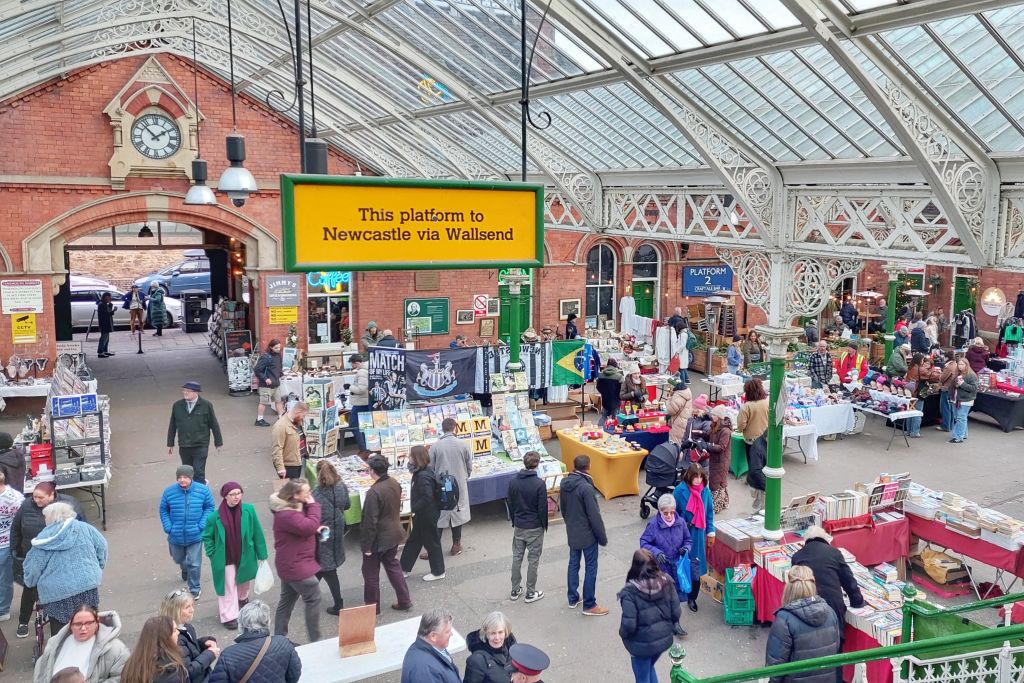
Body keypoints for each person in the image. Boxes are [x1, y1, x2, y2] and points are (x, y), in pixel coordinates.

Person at [11, 482, 84, 638]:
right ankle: (23, 621)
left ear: (52, 495)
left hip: (60, 559)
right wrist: (15, 551)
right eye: (34, 496)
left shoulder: (69, 503)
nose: (36, 500)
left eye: (40, 497)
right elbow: (15, 529)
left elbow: (82, 526)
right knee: (29, 589)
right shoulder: (26, 506)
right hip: (32, 556)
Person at [24, 502, 107, 634]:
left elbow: (33, 567)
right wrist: (98, 565)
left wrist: (30, 582)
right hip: (87, 584)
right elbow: (102, 546)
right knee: (89, 620)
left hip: (57, 593)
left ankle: (63, 650)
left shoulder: (43, 539)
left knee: (61, 631)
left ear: (51, 518)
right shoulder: (85, 528)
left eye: (45, 517)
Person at [203, 481, 268, 630]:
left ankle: (242, 599)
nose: (236, 497)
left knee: (244, 581)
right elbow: (207, 537)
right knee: (228, 586)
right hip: (225, 558)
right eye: (232, 494)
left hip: (245, 554)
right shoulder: (214, 517)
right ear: (225, 496)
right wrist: (212, 553)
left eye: (238, 493)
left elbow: (257, 532)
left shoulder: (249, 510)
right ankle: (228, 616)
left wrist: (262, 554)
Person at [269, 479, 324, 643]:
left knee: (286, 601)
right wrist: (313, 506)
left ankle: (279, 638)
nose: (310, 495)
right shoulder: (286, 515)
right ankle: (315, 640)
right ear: (295, 495)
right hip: (297, 566)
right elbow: (307, 526)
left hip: (289, 564)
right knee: (313, 598)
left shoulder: (292, 508)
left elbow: (306, 525)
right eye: (306, 492)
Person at [765, 565, 841, 683]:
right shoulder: (830, 613)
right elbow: (835, 648)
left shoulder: (784, 620)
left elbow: (775, 667)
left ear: (789, 588)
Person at [617, 548, 681, 683]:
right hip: (663, 641)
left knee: (642, 677)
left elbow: (629, 625)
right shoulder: (667, 580)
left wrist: (623, 634)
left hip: (640, 645)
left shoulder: (629, 592)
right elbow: (676, 612)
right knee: (649, 668)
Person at [791, 526, 865, 638]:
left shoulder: (797, 556)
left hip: (806, 604)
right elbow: (849, 581)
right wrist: (857, 602)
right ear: (825, 538)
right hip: (832, 605)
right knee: (834, 639)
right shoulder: (834, 553)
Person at [361, 455, 412, 613]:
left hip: (379, 539)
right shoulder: (394, 483)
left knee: (370, 573)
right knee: (393, 566)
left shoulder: (373, 492)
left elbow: (370, 522)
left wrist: (367, 546)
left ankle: (372, 607)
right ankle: (404, 600)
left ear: (372, 471)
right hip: (394, 533)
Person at [560, 455, 609, 616]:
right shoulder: (586, 488)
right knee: (591, 567)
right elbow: (594, 515)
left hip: (573, 530)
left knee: (573, 563)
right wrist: (602, 537)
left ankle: (573, 597)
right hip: (587, 534)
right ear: (588, 466)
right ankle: (589, 603)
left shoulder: (564, 482)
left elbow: (564, 508)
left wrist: (570, 524)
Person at [208, 601, 302, 683]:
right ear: (267, 621)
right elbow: (294, 675)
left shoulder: (228, 655)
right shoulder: (283, 643)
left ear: (241, 624)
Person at [159, 465, 215, 602]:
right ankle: (184, 569)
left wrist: (201, 525)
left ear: (191, 477)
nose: (182, 480)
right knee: (179, 559)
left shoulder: (203, 491)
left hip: (195, 535)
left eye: (185, 477)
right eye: (180, 477)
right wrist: (168, 527)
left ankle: (194, 588)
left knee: (194, 563)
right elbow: (163, 510)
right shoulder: (169, 492)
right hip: (175, 535)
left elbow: (210, 507)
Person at [639, 494, 692, 636]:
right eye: (665, 513)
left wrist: (686, 548)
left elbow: (688, 540)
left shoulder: (680, 523)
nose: (669, 516)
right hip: (661, 569)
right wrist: (656, 552)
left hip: (676, 567)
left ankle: (675, 623)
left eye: (671, 512)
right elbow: (644, 543)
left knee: (675, 599)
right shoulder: (653, 525)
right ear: (660, 512)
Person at [33, 606, 129, 683]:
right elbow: (41, 672)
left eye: (88, 623)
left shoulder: (117, 649)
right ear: (70, 625)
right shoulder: (54, 644)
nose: (83, 628)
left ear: (97, 623)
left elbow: (123, 677)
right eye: (78, 624)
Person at [672, 464, 715, 613]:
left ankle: (692, 597)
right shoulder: (679, 491)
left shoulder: (705, 491)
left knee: (696, 570)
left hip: (698, 537)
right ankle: (679, 594)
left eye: (700, 476)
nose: (698, 480)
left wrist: (711, 531)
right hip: (683, 536)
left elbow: (709, 512)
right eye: (695, 476)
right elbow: (672, 513)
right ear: (689, 476)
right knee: (681, 566)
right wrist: (683, 522)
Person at [507, 451, 548, 604]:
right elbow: (542, 508)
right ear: (537, 464)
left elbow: (510, 503)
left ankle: (515, 589)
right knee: (533, 560)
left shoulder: (513, 481)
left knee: (517, 557)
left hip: (519, 525)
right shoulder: (539, 484)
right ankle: (530, 592)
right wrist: (544, 525)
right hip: (534, 526)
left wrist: (514, 520)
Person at [400, 445, 445, 581]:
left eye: (411, 456)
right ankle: (403, 568)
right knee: (414, 540)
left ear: (416, 458)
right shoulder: (424, 471)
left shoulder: (422, 476)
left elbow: (427, 497)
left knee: (432, 542)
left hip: (427, 514)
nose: (409, 458)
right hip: (424, 514)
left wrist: (414, 508)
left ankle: (438, 572)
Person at [431, 417, 473, 556]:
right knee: (458, 512)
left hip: (441, 484)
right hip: (458, 483)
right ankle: (456, 544)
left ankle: (434, 548)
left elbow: (431, 467)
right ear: (455, 427)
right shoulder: (463, 444)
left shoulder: (435, 446)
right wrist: (464, 476)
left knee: (440, 513)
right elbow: (469, 466)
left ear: (442, 429)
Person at [166, 381, 223, 485]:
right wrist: (170, 443)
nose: (185, 393)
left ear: (196, 392)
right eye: (184, 390)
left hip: (200, 444)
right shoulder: (177, 405)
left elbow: (214, 424)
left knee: (198, 472)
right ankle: (190, 491)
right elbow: (172, 425)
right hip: (184, 444)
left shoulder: (206, 405)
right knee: (187, 471)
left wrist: (218, 442)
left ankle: (200, 493)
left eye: (188, 391)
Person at [312, 459, 350, 614]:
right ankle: (310, 588)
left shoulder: (315, 494)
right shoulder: (341, 487)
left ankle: (338, 603)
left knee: (326, 564)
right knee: (325, 561)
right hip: (338, 527)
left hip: (324, 531)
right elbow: (347, 505)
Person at [159, 590, 219, 681]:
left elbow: (190, 649)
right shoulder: (175, 639)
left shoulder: (186, 626)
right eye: (187, 607)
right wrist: (210, 655)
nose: (192, 610)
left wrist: (203, 642)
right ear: (175, 611)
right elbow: (188, 671)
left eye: (192, 605)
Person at [119, 615, 189, 683]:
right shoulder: (171, 671)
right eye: (174, 630)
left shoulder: (132, 664)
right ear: (165, 637)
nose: (178, 632)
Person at [400, 609, 461, 683]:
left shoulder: (434, 647)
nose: (451, 634)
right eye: (447, 632)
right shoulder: (424, 671)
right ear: (433, 636)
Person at [463, 611, 517, 683]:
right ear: (486, 634)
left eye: (500, 632)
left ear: (506, 632)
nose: (497, 638)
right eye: (493, 633)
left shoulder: (511, 645)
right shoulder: (476, 661)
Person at [699, 405, 732, 513]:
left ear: (719, 416)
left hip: (721, 461)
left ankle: (716, 506)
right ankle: (723, 503)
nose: (711, 416)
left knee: (716, 484)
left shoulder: (725, 431)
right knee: (718, 482)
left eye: (713, 414)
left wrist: (708, 446)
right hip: (715, 459)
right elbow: (708, 435)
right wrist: (700, 434)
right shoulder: (715, 426)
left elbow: (722, 447)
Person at [0, 469, 23, 621]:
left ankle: (3, 610)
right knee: (10, 575)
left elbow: (23, 520)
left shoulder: (14, 499)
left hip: (5, 543)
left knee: (4, 578)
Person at [271, 401, 309, 480]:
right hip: (288, 465)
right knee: (291, 490)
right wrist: (280, 468)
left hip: (297, 461)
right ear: (298, 412)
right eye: (303, 415)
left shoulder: (297, 421)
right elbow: (277, 448)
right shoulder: (280, 426)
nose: (303, 418)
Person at [253, 340, 284, 427]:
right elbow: (257, 370)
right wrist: (265, 378)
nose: (278, 349)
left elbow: (278, 367)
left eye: (279, 347)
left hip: (276, 383)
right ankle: (259, 420)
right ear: (270, 347)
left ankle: (281, 418)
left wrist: (281, 374)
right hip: (266, 385)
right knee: (263, 402)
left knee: (278, 401)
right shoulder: (266, 357)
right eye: (276, 348)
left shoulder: (278, 355)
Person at [948, 357, 978, 444]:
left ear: (966, 365)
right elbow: (951, 386)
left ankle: (958, 437)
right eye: (959, 364)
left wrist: (962, 384)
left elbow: (974, 388)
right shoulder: (956, 373)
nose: (960, 366)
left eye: (962, 364)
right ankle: (963, 434)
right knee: (958, 417)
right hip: (956, 399)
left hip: (965, 400)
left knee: (961, 418)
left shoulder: (971, 375)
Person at [347, 354, 370, 452]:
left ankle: (363, 449)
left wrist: (350, 387)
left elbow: (361, 389)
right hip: (365, 401)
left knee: (354, 425)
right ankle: (366, 448)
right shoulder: (366, 369)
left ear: (356, 363)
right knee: (364, 426)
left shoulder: (361, 372)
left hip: (360, 402)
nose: (352, 367)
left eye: (352, 365)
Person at [737, 378, 768, 446]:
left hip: (751, 440)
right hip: (765, 438)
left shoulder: (746, 407)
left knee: (751, 456)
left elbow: (741, 425)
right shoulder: (767, 403)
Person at [938, 356, 961, 432]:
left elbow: (942, 379)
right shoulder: (955, 365)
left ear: (947, 357)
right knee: (950, 408)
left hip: (946, 388)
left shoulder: (948, 367)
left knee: (945, 408)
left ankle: (945, 426)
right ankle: (950, 425)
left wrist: (940, 375)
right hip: (951, 389)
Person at [747, 434, 768, 515]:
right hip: (758, 485)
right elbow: (756, 470)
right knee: (758, 509)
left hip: (759, 482)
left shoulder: (763, 443)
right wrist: (767, 487)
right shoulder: (758, 448)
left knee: (760, 507)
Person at [671, 320, 690, 385]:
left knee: (681, 368)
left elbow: (682, 345)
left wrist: (677, 352)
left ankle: (683, 383)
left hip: (682, 354)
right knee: (683, 368)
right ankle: (687, 380)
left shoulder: (683, 334)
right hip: (684, 353)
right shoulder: (685, 333)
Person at [96, 292, 115, 358]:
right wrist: (113, 310)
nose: (110, 298)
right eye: (109, 297)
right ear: (106, 297)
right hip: (104, 323)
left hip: (107, 323)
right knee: (103, 338)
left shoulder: (105, 304)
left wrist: (110, 305)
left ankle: (105, 350)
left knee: (107, 338)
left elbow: (109, 312)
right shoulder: (101, 305)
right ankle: (100, 352)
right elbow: (106, 314)